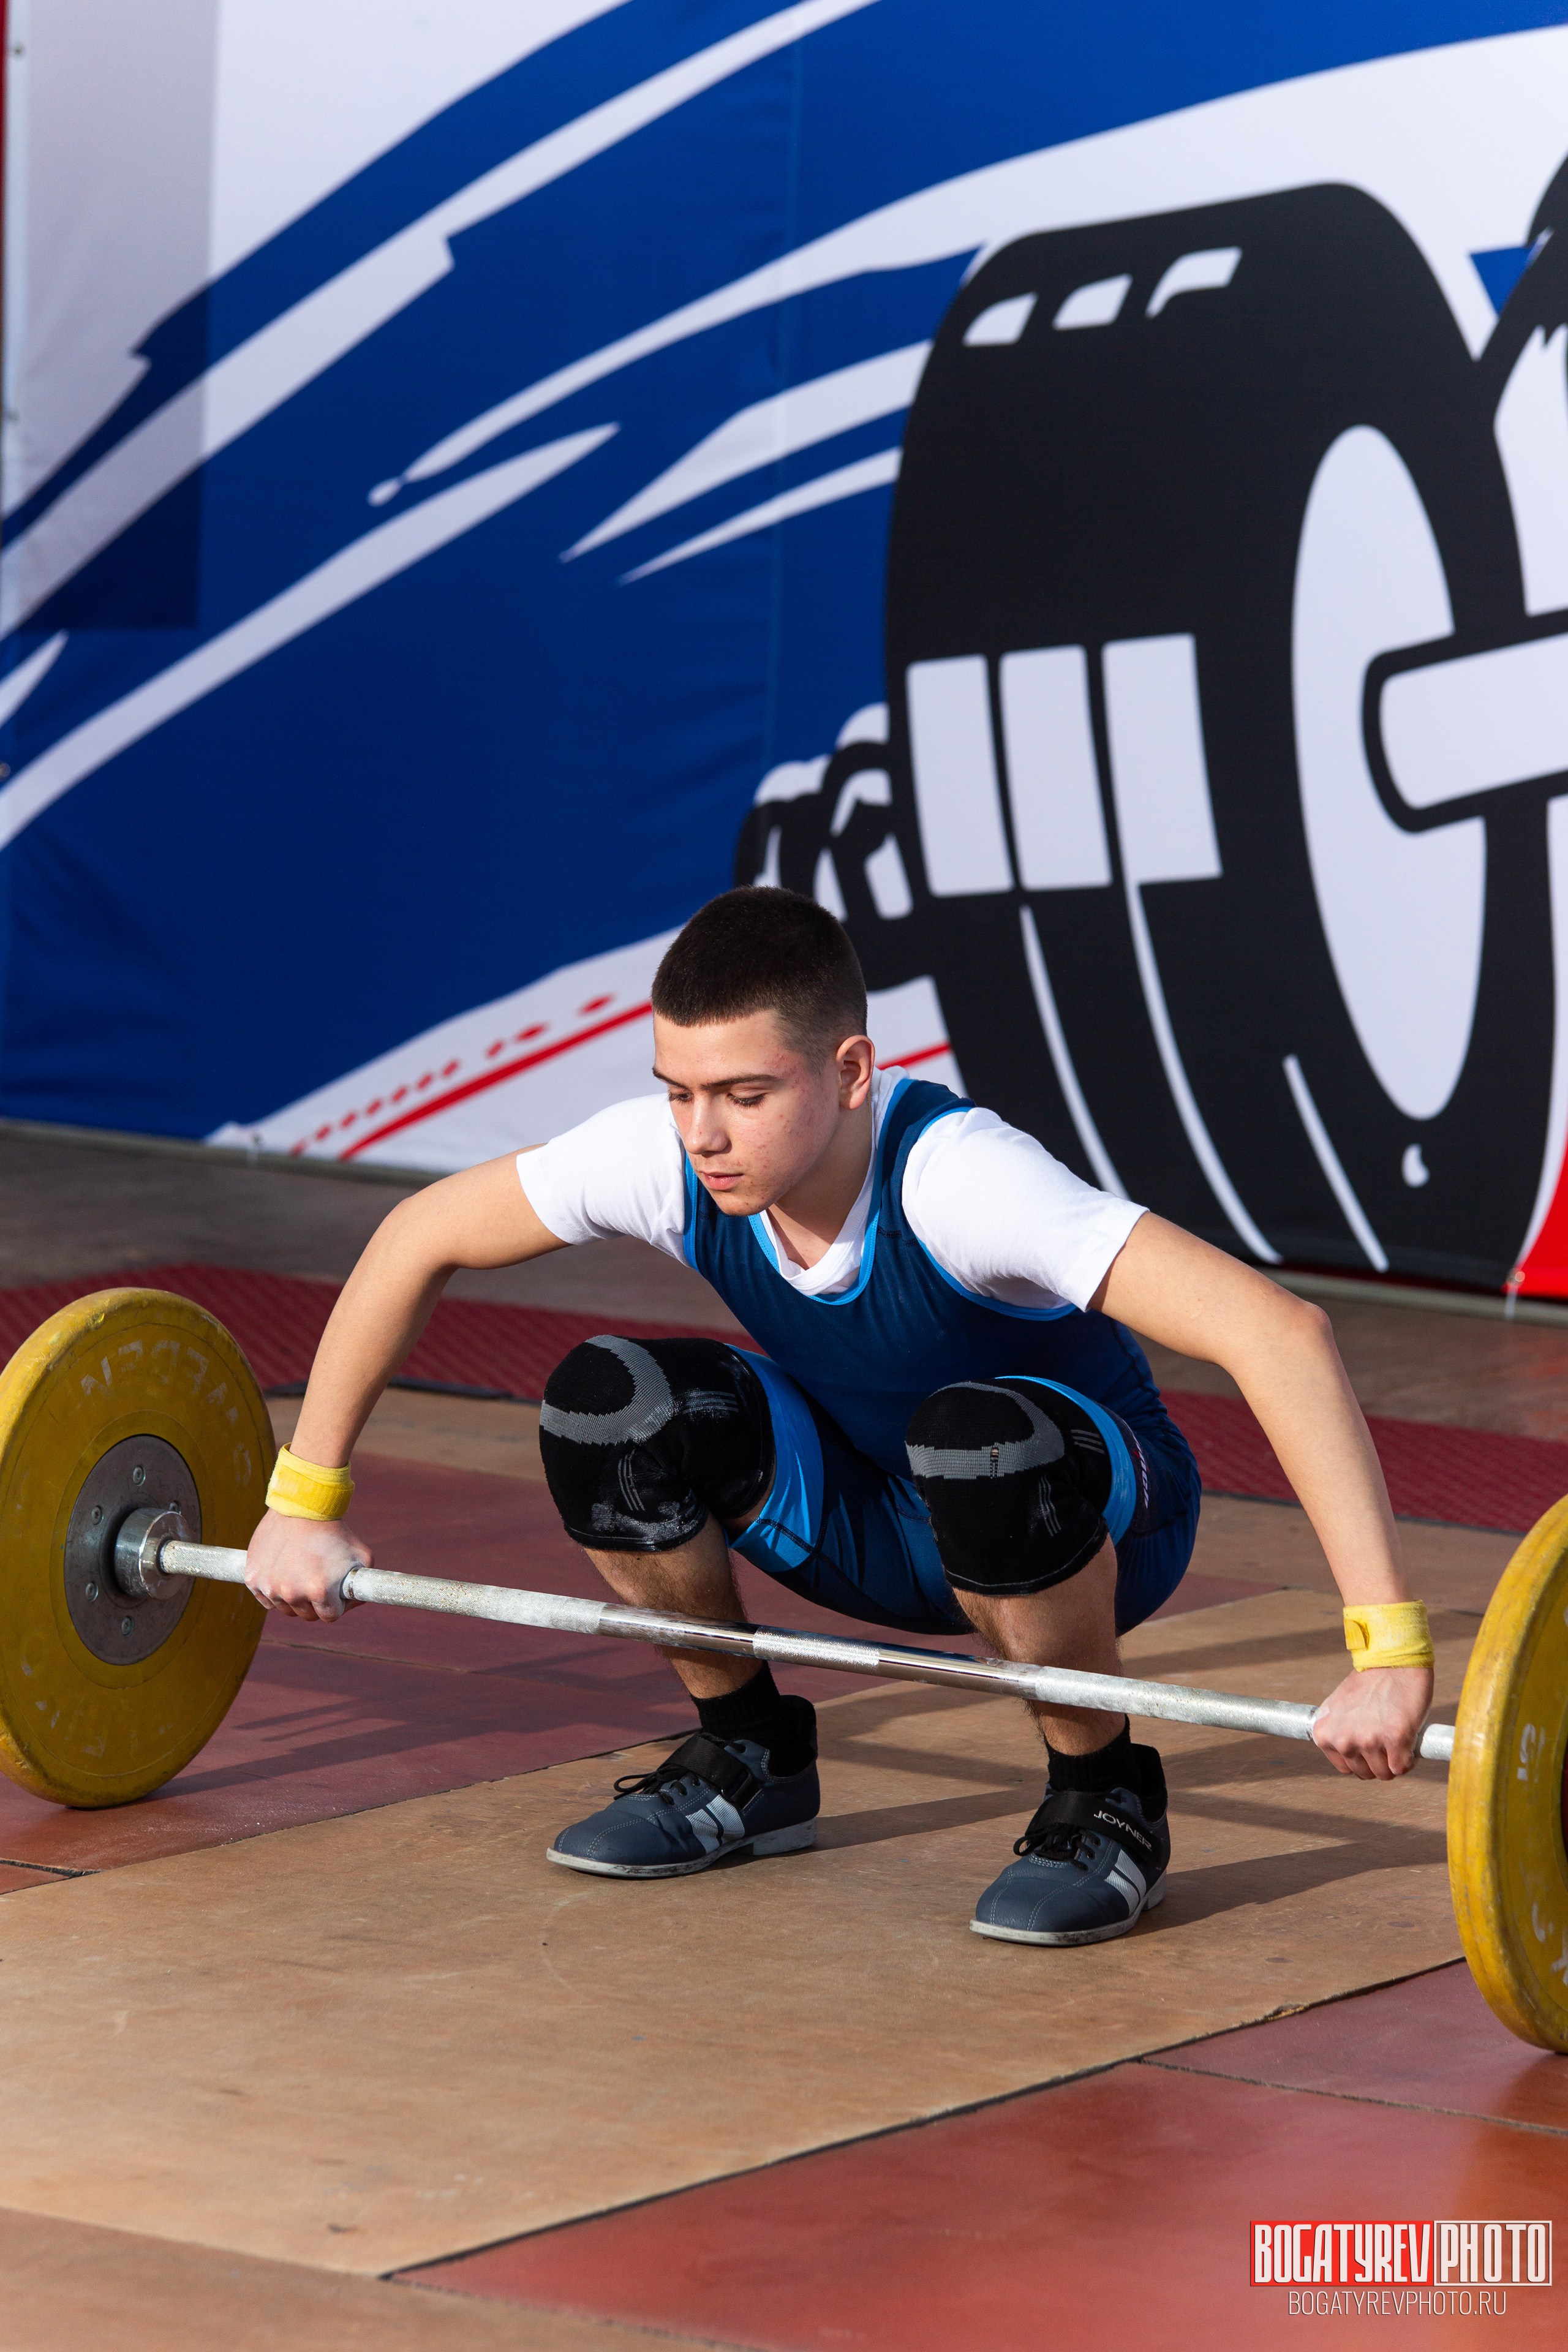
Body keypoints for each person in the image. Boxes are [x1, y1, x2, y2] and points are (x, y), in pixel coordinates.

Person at [246, 888, 1434, 1946]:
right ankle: (748, 1754)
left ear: (852, 1071)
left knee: (974, 1438)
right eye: (678, 1094)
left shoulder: (961, 1179)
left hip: (1091, 1525)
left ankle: (1100, 1798)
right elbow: (420, 1236)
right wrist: (303, 1499)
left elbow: (1279, 1332)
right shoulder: (671, 1159)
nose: (702, 1133)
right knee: (610, 1406)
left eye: (743, 1095)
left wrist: (1385, 1650)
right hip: (874, 1517)